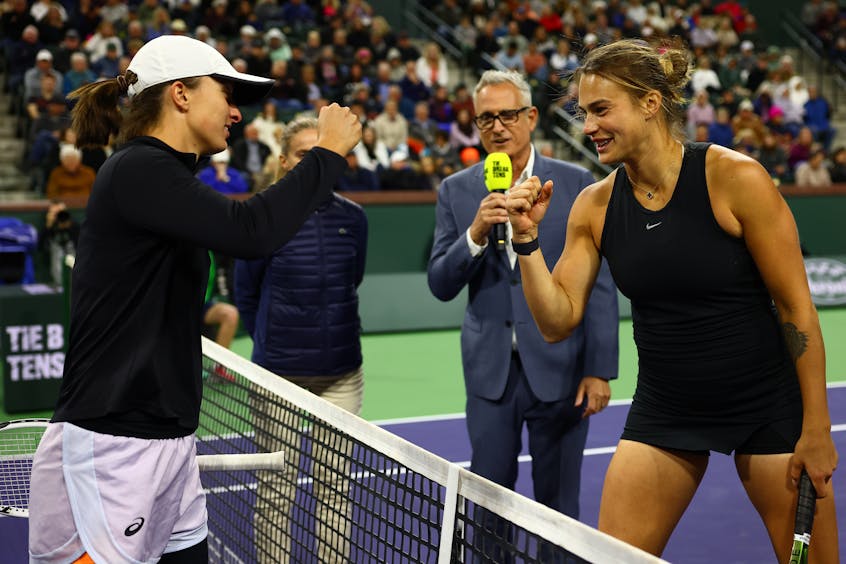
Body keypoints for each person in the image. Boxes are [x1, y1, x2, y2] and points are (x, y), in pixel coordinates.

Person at [28, 35, 361, 564]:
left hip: (168, 442)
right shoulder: (139, 169)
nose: (236, 112)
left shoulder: (164, 175)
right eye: (225, 94)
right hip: (113, 446)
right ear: (180, 94)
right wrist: (327, 153)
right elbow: (252, 230)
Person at [505, 39, 839, 559]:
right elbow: (556, 321)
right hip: (667, 409)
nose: (588, 126)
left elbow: (797, 311)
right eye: (583, 113)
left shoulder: (737, 179)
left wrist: (816, 427)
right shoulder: (594, 206)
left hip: (767, 406)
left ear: (650, 103)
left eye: (600, 109)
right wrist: (526, 240)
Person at [427, 70, 619, 537]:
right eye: (486, 118)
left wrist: (599, 369)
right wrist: (475, 234)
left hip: (562, 369)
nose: (497, 127)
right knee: (488, 505)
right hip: (490, 374)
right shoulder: (456, 189)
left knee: (559, 509)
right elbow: (440, 283)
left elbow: (598, 285)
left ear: (531, 117)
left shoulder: (577, 184)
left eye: (508, 115)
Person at [233, 117, 368, 563]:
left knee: (335, 490)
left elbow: (351, 280)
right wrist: (275, 343)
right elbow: (247, 295)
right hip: (278, 379)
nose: (315, 161)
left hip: (342, 376)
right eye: (305, 154)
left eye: (323, 152)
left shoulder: (354, 218)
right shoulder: (261, 216)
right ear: (285, 161)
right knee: (277, 490)